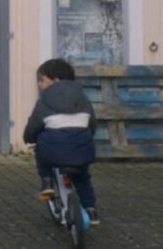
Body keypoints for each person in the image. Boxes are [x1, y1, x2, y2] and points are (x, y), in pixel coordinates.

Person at [23, 58, 100, 225]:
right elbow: (92, 124)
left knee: (39, 147)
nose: (39, 84)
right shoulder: (83, 99)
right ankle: (92, 210)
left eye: (42, 80)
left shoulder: (44, 101)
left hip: (53, 152)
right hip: (82, 150)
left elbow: (34, 125)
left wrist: (28, 138)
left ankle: (47, 181)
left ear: (56, 80)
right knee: (82, 178)